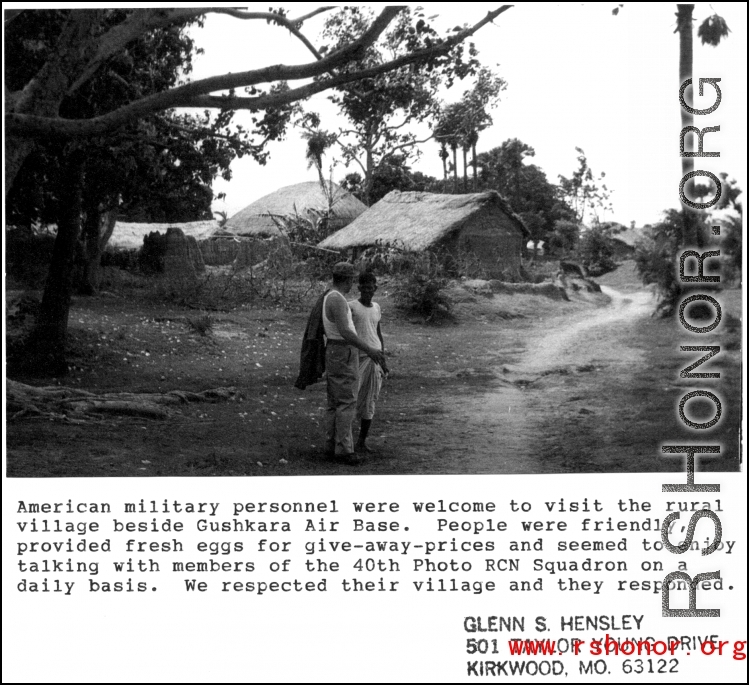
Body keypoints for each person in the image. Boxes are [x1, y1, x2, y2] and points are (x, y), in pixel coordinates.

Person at [323, 262, 386, 465]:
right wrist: (368, 349)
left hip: (336, 351)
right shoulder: (338, 299)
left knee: (335, 401)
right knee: (346, 401)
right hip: (343, 351)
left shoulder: (330, 297)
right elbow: (346, 331)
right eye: (352, 279)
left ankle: (333, 444)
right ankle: (344, 449)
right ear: (349, 280)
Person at [349, 272, 388, 453]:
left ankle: (361, 441)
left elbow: (377, 332)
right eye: (363, 287)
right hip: (358, 357)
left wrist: (383, 359)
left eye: (370, 287)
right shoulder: (352, 307)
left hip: (376, 358)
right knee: (351, 398)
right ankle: (345, 441)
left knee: (370, 400)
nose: (367, 291)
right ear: (359, 288)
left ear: (375, 288)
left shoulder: (377, 308)